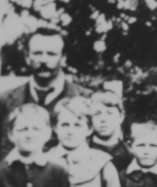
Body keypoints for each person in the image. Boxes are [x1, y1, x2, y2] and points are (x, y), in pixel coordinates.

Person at [0, 27, 90, 156]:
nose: (43, 60)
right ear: (27, 57)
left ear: (63, 58)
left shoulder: (85, 98)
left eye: (51, 54)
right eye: (37, 53)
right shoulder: (5, 100)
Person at [89, 89, 130, 169]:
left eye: (109, 113)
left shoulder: (130, 154)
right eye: (97, 114)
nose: (103, 119)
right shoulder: (84, 151)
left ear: (121, 117)